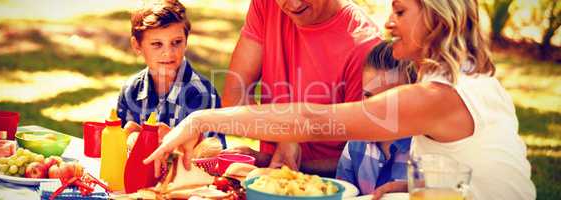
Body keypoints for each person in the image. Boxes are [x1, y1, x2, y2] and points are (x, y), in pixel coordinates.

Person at [144, 0, 537, 199]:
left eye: (400, 11)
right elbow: (478, 170)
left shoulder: (440, 95)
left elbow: (314, 120)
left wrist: (200, 120)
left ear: (435, 14)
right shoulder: (464, 79)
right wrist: (410, 186)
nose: (388, 24)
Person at [221, 0, 381, 176]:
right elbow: (235, 94)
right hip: (273, 180)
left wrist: (290, 164)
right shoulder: (266, 4)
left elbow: (364, 159)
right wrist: (284, 138)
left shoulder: (364, 45)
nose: (295, 5)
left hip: (331, 186)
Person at [116, 0, 226, 148]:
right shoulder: (131, 90)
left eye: (176, 42)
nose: (168, 53)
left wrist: (173, 141)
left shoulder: (203, 94)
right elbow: (120, 145)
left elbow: (210, 157)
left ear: (186, 41)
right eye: (157, 44)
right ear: (137, 45)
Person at [335, 41, 413, 195]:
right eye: (368, 96)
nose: (375, 109)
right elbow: (343, 193)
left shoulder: (423, 148)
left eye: (388, 99)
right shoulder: (355, 144)